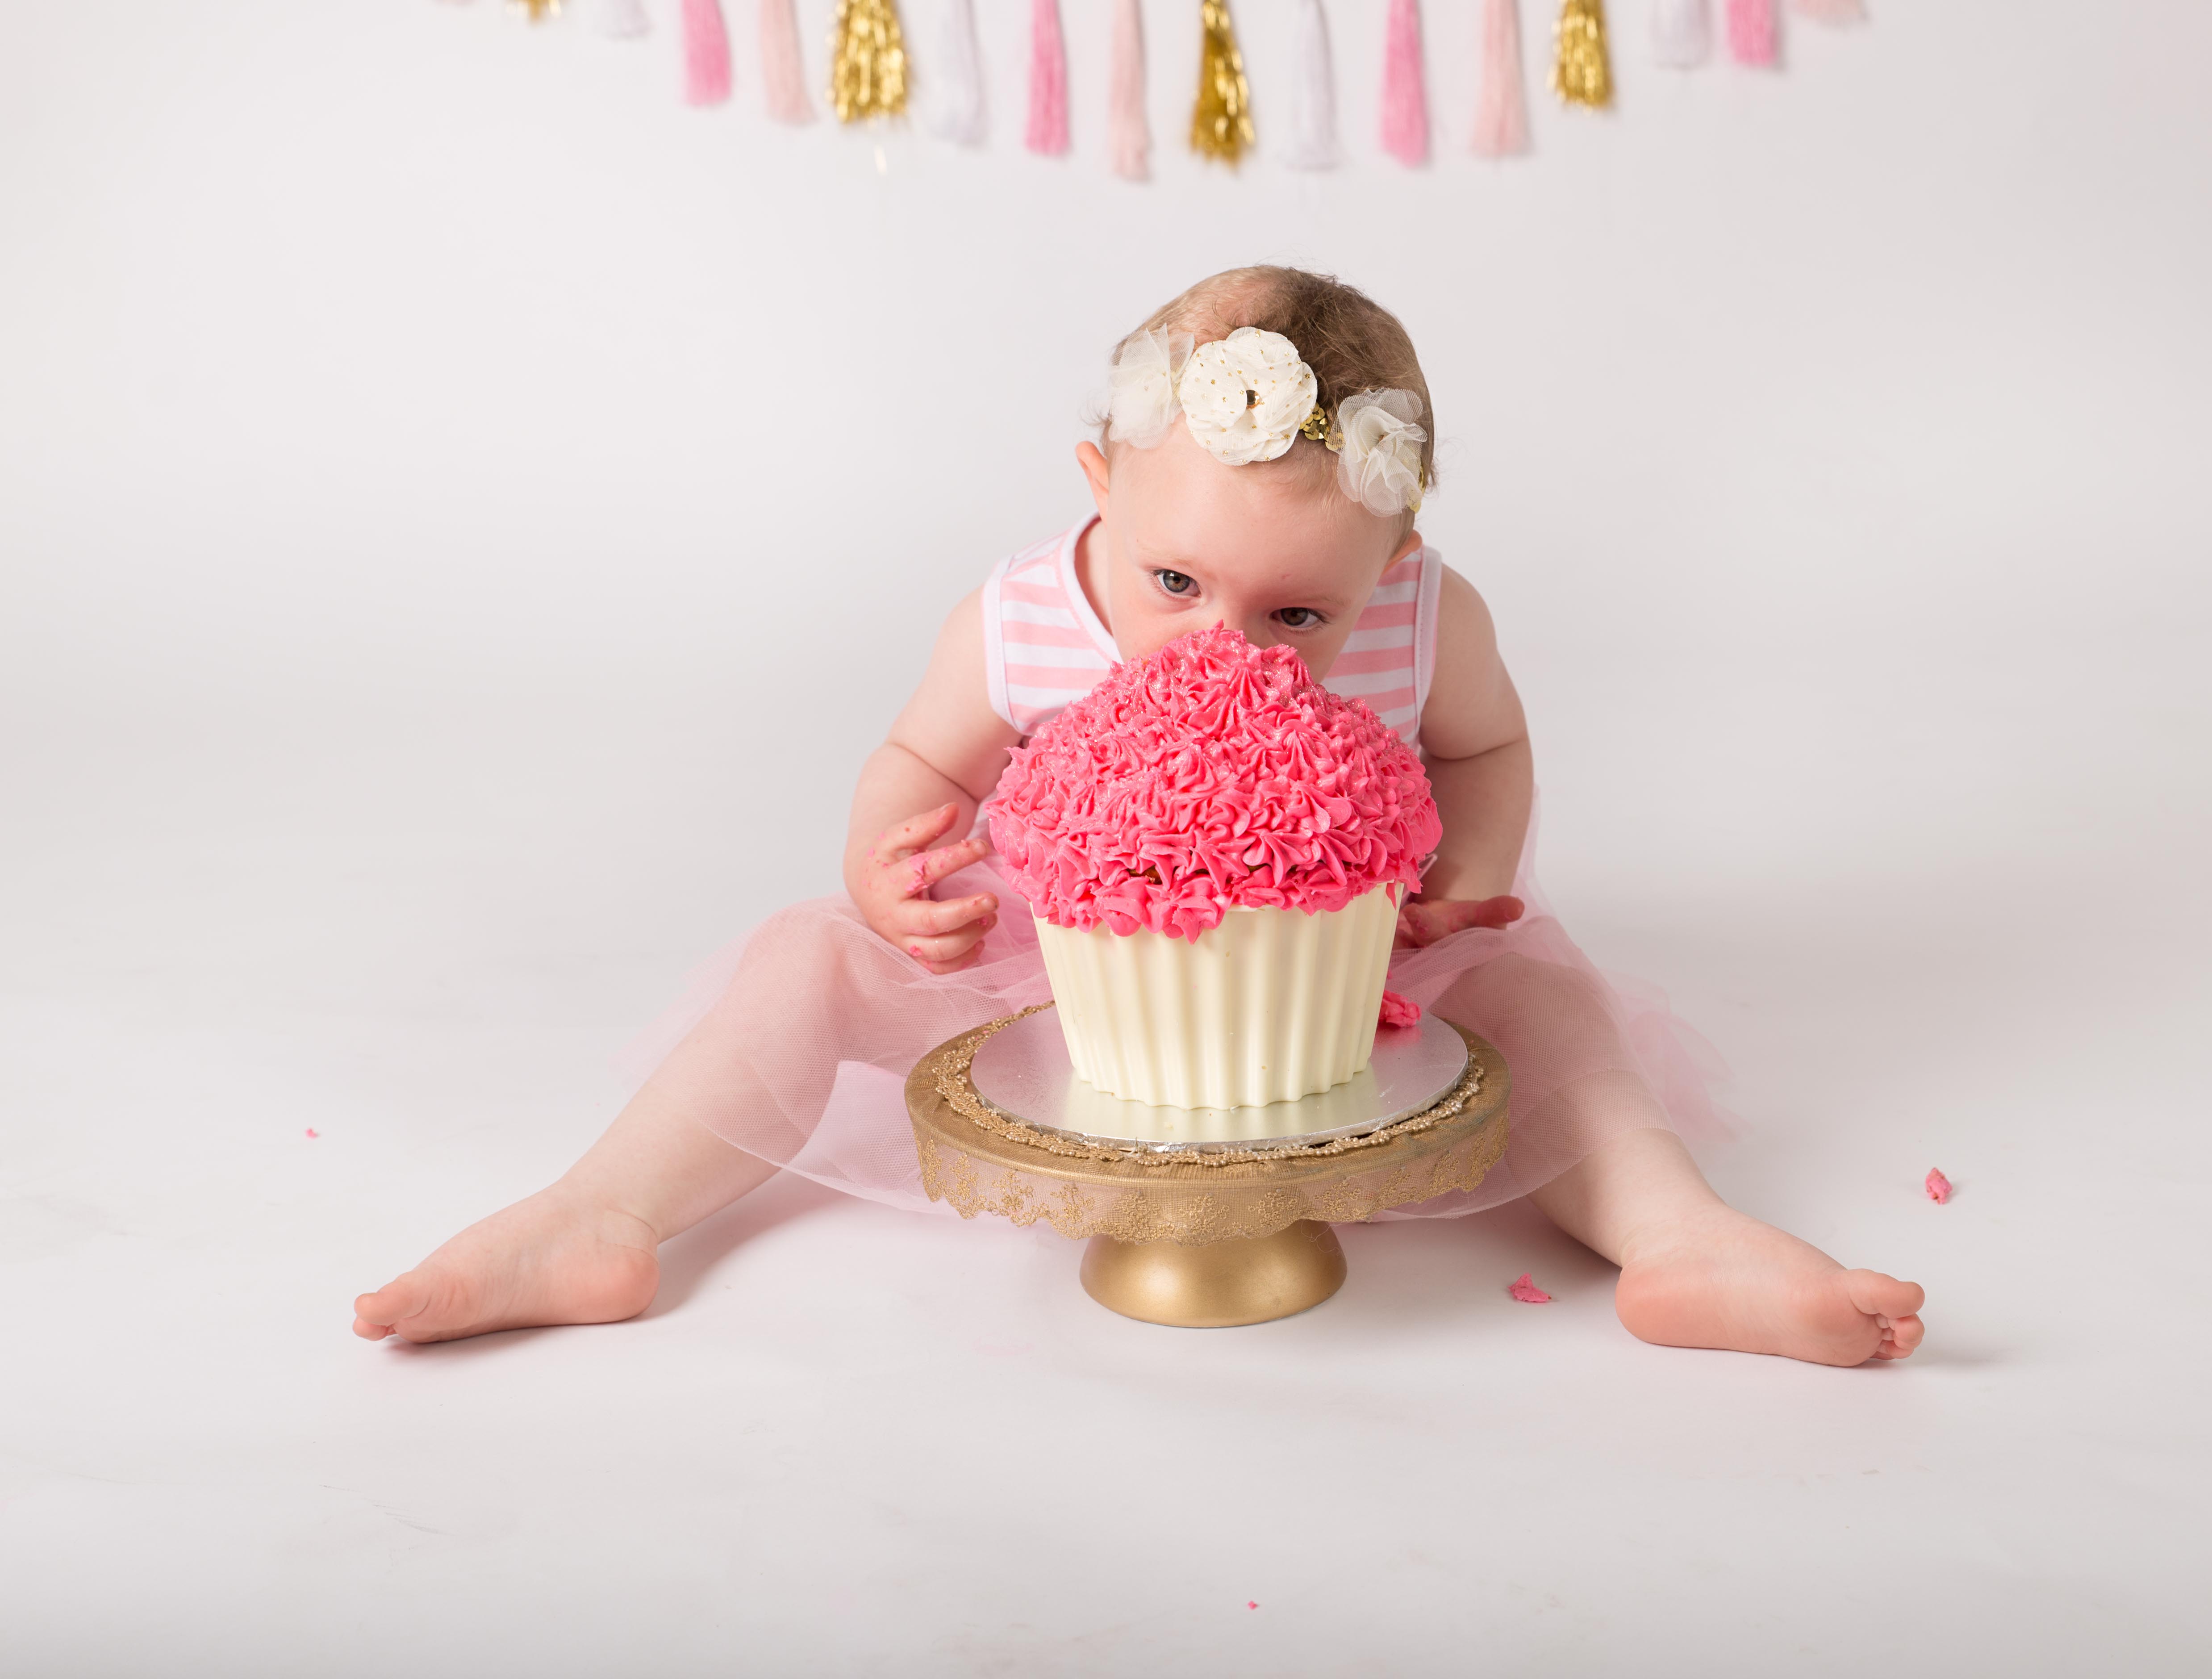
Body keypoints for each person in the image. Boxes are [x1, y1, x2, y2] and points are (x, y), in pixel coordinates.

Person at [353, 266, 1926, 1365]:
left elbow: (1487, 753)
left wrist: (1476, 876)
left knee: (1546, 1001)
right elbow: (920, 767)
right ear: (1101, 482)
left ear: (1392, 556)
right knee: (800, 959)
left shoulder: (1427, 616)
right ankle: (598, 1215)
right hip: (1062, 959)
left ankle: (1680, 1241)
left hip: (1340, 976)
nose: (1227, 644)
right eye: (1176, 582)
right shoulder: (1029, 615)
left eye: (1299, 612)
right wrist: (887, 870)